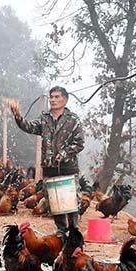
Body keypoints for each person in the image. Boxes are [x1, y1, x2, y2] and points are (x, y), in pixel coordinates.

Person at [10, 86, 85, 235]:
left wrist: (64, 153)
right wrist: (18, 115)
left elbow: (79, 143)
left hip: (68, 168)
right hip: (49, 168)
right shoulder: (44, 119)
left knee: (70, 202)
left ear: (65, 99)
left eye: (57, 97)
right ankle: (61, 231)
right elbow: (29, 127)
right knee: (55, 202)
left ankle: (74, 232)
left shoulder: (73, 120)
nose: (53, 100)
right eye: (51, 97)